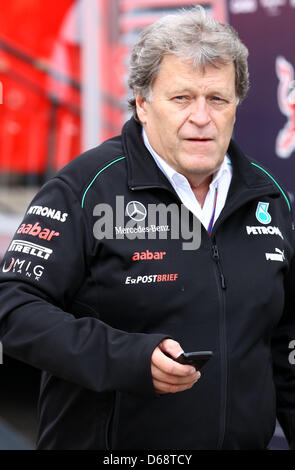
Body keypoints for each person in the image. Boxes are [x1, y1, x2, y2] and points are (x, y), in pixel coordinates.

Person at [0, 6, 295, 451]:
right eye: (181, 98)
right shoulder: (86, 187)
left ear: (236, 105)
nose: (202, 117)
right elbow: (12, 306)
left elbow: (283, 343)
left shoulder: (266, 196)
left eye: (217, 98)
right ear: (142, 102)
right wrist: (126, 358)